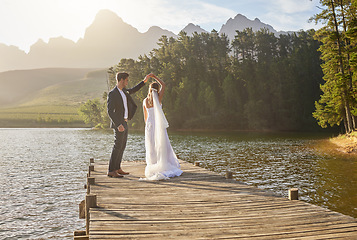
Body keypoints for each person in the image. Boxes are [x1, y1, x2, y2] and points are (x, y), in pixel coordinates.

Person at [107, 72, 151, 178]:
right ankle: (111, 170)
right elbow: (110, 111)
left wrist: (144, 81)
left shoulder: (124, 91)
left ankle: (117, 168)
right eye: (126, 80)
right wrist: (118, 124)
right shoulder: (113, 93)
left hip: (125, 122)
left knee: (122, 146)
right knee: (117, 146)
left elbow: (134, 89)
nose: (127, 82)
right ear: (121, 80)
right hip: (119, 124)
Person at [142, 74, 183, 180]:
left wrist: (147, 127)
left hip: (150, 125)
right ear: (156, 90)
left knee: (151, 145)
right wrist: (154, 76)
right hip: (158, 125)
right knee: (162, 144)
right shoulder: (159, 98)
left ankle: (153, 164)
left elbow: (145, 117)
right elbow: (163, 85)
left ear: (149, 90)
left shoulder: (145, 101)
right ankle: (163, 162)